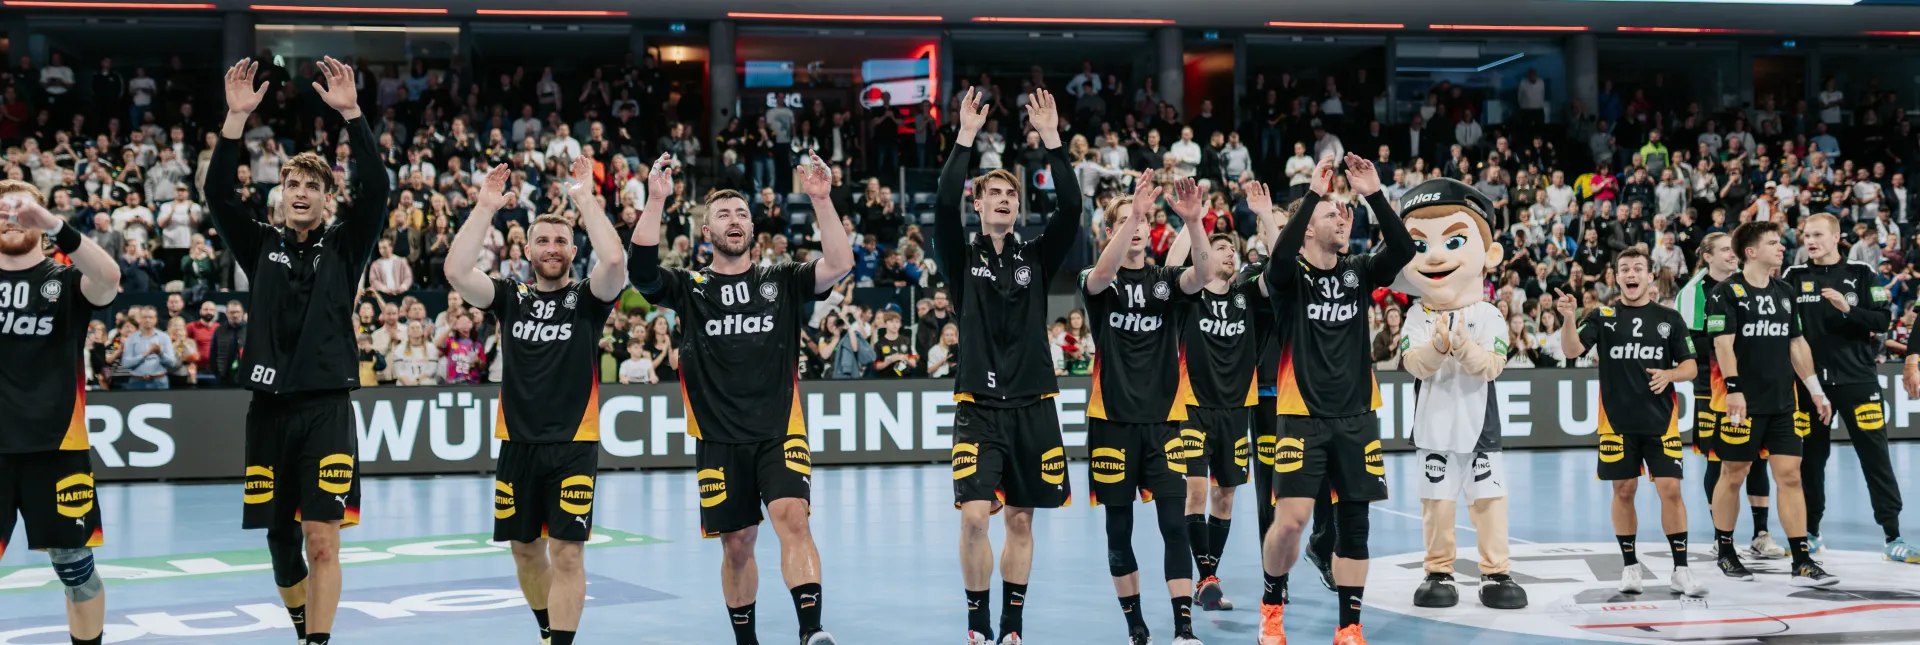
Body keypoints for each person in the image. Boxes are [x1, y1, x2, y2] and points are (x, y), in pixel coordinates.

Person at [628, 148, 853, 645]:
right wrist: (655, 201)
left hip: (779, 429)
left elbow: (840, 263)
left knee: (793, 519)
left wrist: (821, 200)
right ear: (706, 230)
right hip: (718, 438)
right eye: (723, 214)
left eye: (741, 214)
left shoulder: (782, 279)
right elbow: (641, 273)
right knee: (737, 543)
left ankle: (811, 632)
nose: (734, 220)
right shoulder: (690, 286)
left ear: (753, 228)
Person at [210, 57, 388, 645]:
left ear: (327, 198)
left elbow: (377, 189)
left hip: (326, 409)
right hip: (268, 411)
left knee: (322, 541)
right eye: (293, 185)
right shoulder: (259, 245)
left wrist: (353, 114)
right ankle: (301, 623)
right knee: (281, 546)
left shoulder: (345, 246)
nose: (302, 193)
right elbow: (217, 194)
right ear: (280, 195)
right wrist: (235, 120)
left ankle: (318, 640)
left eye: (313, 186)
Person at [445, 156, 627, 645]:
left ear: (573, 250)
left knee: (567, 553)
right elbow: (456, 271)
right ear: (527, 250)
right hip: (518, 444)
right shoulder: (511, 296)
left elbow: (615, 262)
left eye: (560, 241)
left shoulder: (589, 299)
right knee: (525, 551)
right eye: (543, 241)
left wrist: (585, 200)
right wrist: (485, 207)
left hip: (573, 445)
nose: (552, 248)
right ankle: (548, 629)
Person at [938, 88, 1081, 645]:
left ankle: (1012, 626)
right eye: (992, 193)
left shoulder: (1036, 257)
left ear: (1018, 208)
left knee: (1021, 519)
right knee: (975, 517)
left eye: (1010, 194)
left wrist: (1052, 140)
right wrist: (965, 137)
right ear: (978, 205)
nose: (1002, 199)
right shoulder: (960, 257)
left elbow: (1072, 208)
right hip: (978, 406)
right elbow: (943, 203)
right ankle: (977, 624)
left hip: (1033, 404)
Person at [1258, 153, 1413, 645]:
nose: (1343, 218)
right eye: (1332, 214)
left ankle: (1349, 626)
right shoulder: (1289, 278)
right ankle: (1272, 605)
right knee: (1291, 523)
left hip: (1356, 417)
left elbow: (1404, 248)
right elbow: (1280, 255)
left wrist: (1374, 194)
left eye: (1346, 214)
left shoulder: (1359, 271)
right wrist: (1312, 193)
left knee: (1354, 527)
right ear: (1307, 228)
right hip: (1301, 415)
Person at [1082, 176, 1221, 645]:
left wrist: (1194, 222)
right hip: (1112, 423)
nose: (1137, 227)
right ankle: (1136, 627)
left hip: (1164, 424)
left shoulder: (1164, 281)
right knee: (1118, 530)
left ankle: (1183, 628)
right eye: (1125, 222)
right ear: (1111, 232)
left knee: (1173, 525)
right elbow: (1103, 275)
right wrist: (1136, 213)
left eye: (1140, 221)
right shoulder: (1096, 279)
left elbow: (1203, 275)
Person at [0, 180, 120, 645]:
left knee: (77, 572)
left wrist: (54, 225)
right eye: (2, 211)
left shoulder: (67, 281)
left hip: (59, 449)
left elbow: (109, 279)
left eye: (20, 210)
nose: (11, 218)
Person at [1557, 248, 1709, 597]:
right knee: (1623, 491)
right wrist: (1567, 318)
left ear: (1649, 276)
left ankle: (1681, 570)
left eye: (1638, 268)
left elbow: (1691, 366)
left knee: (1671, 490)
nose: (1631, 274)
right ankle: (1630, 566)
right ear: (1616, 277)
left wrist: (1669, 374)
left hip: (1661, 422)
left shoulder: (1669, 318)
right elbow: (1571, 350)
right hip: (1616, 422)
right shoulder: (1603, 316)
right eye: (1624, 268)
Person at [1707, 221, 1837, 587]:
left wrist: (1815, 389)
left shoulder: (1785, 291)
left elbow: (1796, 343)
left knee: (1791, 476)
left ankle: (1801, 560)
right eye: (1773, 243)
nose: (1782, 247)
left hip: (1783, 402)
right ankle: (1726, 550)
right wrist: (1733, 388)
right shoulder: (1726, 291)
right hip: (1742, 404)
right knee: (1734, 473)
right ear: (1751, 252)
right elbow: (1722, 344)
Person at [1164, 203, 1275, 613]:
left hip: (1236, 409)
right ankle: (1207, 577)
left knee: (1224, 497)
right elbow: (1170, 266)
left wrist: (1267, 218)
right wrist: (1193, 222)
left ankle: (1207, 576)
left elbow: (1280, 270)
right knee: (1195, 491)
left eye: (1232, 249)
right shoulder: (1189, 297)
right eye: (1220, 248)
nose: (1229, 253)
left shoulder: (1247, 296)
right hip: (1193, 406)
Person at [1788, 214, 1917, 563]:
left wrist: (1848, 308)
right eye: (1806, 235)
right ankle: (1810, 534)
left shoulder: (1861, 273)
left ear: (1836, 237)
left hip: (1858, 381)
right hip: (1810, 386)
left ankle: (1893, 537)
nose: (1810, 241)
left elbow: (1882, 320)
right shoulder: (1793, 276)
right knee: (1810, 462)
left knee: (1876, 458)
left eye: (1817, 234)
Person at [1677, 233, 1785, 559]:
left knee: (1758, 459)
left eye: (1732, 248)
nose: (1731, 254)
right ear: (1707, 256)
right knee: (1718, 460)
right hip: (1711, 390)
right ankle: (1719, 535)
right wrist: (1730, 343)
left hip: (1754, 388)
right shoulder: (1694, 291)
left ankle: (1761, 533)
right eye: (1724, 249)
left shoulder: (1748, 282)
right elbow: (1690, 345)